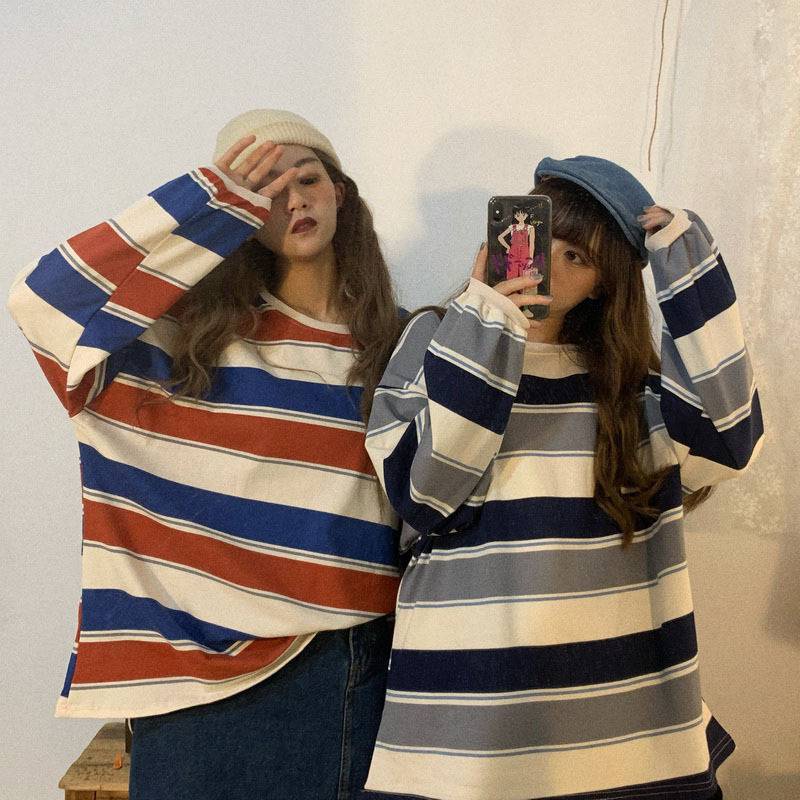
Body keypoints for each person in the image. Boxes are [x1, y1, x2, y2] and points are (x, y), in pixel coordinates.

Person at [8, 108, 405, 800]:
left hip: (339, 668)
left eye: (307, 179)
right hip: (184, 693)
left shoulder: (395, 347)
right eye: (266, 188)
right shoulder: (173, 347)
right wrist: (212, 197)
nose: (293, 199)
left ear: (340, 193)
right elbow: (42, 302)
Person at [361, 156, 763, 800]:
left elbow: (728, 442)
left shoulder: (632, 388)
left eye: (577, 256)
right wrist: (488, 321)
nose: (545, 261)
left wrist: (687, 266)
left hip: (623, 726)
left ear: (604, 284)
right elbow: (424, 490)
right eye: (536, 235)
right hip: (468, 725)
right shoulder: (437, 338)